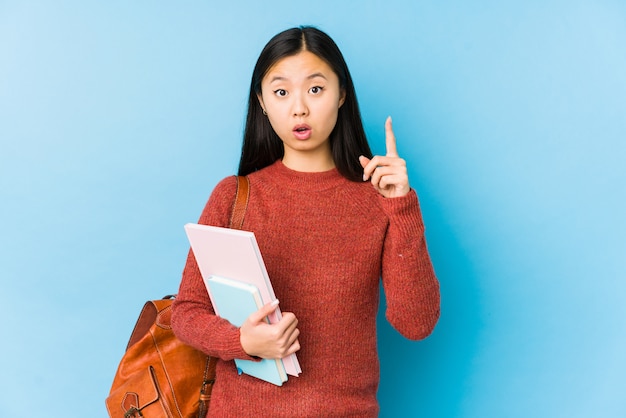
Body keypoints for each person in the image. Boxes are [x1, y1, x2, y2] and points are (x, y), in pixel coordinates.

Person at [172, 26, 440, 417]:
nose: (299, 107)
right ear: (262, 102)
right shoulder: (234, 196)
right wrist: (242, 341)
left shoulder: (377, 201)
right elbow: (186, 312)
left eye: (315, 89)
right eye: (281, 92)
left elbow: (416, 323)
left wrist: (401, 208)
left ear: (342, 94)